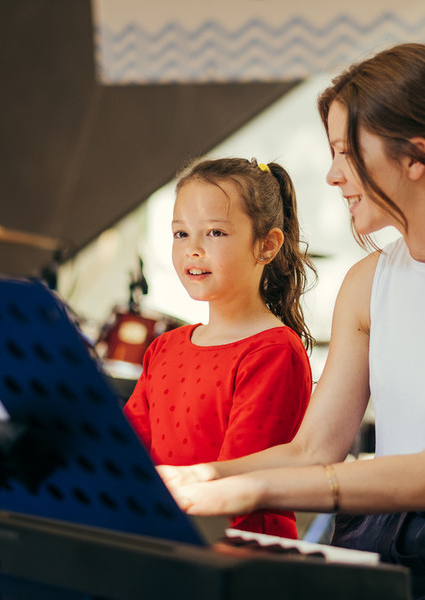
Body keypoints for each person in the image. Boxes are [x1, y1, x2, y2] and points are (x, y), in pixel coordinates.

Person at [159, 43, 425, 599]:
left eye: (345, 151)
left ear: (414, 156)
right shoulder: (366, 282)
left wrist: (249, 491)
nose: (332, 176)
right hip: (372, 531)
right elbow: (313, 451)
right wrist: (200, 476)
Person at [123, 157, 315, 540]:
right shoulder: (164, 348)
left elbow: (237, 490)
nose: (193, 249)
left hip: (239, 551)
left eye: (215, 232)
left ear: (267, 245)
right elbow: (127, 452)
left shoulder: (273, 351)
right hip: (169, 536)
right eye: (181, 233)